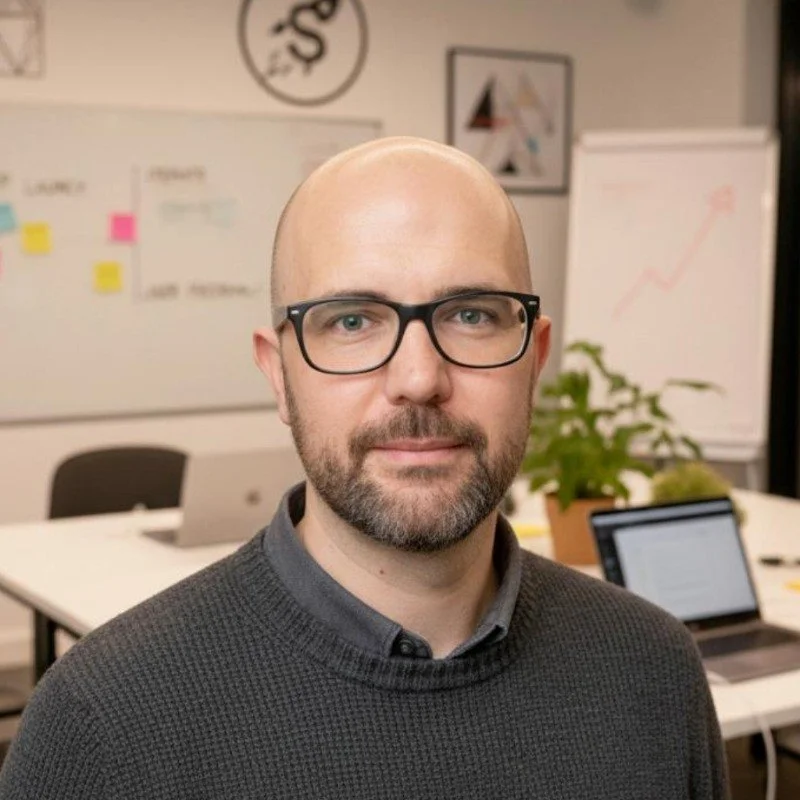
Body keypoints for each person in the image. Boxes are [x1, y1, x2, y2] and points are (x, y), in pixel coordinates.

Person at [0, 138, 729, 799]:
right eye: (351, 320)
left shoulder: (653, 671)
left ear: (533, 361)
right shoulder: (104, 724)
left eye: (471, 314)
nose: (419, 378)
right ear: (279, 375)